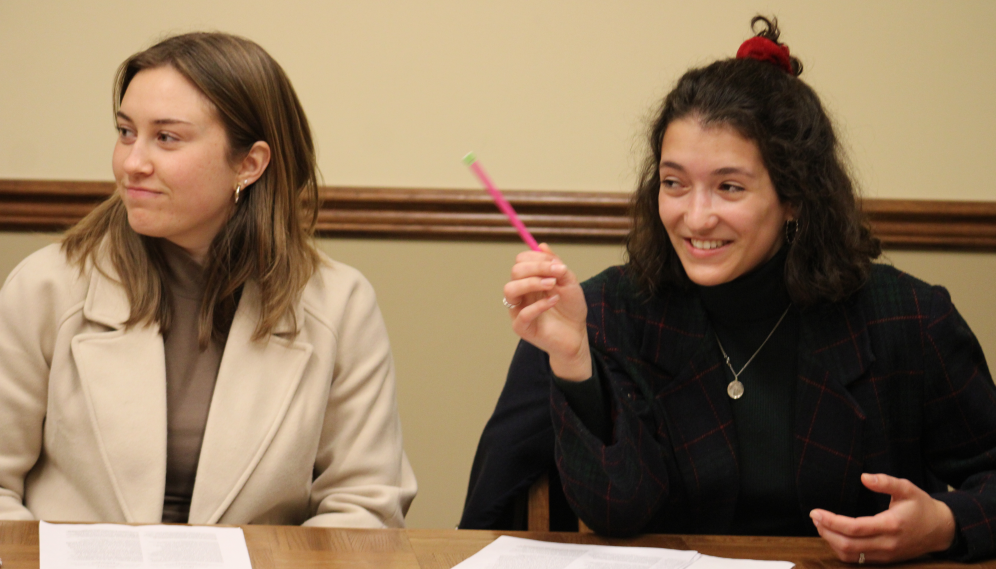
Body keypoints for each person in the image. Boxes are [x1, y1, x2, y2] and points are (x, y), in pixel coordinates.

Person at [483, 16, 996, 563]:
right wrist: (574, 365)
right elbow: (617, 512)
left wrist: (944, 523)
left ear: (794, 196)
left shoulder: (909, 319)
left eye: (729, 187)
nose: (696, 217)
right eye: (674, 183)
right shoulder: (607, 313)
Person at [0, 32, 416, 527]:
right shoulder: (46, 287)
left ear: (250, 163)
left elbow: (365, 507)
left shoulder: (340, 304)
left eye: (167, 137)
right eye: (126, 132)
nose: (132, 163)